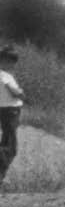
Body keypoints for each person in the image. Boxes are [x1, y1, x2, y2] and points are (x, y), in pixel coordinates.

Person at [0, 46, 25, 184]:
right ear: (4, 60)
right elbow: (13, 90)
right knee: (10, 147)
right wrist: (22, 94)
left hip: (5, 110)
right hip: (10, 111)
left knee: (6, 142)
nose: (14, 65)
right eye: (12, 62)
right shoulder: (4, 75)